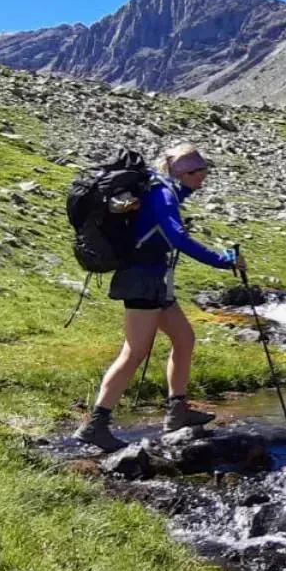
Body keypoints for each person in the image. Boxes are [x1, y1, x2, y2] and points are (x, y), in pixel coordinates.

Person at [74, 144, 246, 452]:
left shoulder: (165, 192)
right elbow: (178, 237)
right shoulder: (163, 196)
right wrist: (224, 261)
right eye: (200, 172)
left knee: (184, 338)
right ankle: (95, 425)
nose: (204, 178)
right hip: (141, 281)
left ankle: (177, 411)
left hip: (154, 280)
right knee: (135, 352)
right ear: (185, 173)